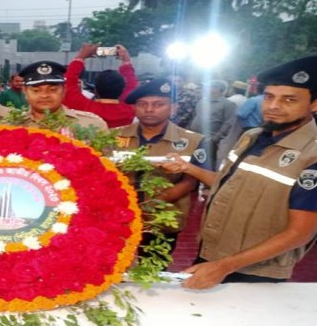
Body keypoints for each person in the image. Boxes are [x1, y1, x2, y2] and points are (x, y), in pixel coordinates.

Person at [161, 56, 317, 289]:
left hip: (256, 273)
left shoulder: (311, 155)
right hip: (212, 256)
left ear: (314, 104)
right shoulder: (251, 137)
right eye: (269, 97)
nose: (273, 106)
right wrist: (188, 167)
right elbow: (226, 182)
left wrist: (225, 266)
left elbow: (300, 232)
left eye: (289, 100)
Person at [115, 78, 210, 257]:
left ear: (173, 108)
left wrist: (150, 204)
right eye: (142, 104)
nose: (149, 109)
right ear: (135, 107)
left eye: (158, 104)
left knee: (152, 271)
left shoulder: (192, 141)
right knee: (111, 266)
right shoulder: (112, 137)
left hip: (162, 220)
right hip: (117, 219)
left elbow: (191, 182)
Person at [18, 60, 107, 133]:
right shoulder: (12, 125)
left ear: (64, 90)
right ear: (25, 91)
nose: (44, 95)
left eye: (53, 90)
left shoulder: (92, 124)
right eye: (36, 91)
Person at [62, 43, 138, 128]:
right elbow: (132, 88)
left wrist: (81, 56)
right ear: (122, 90)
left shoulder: (85, 107)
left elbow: (68, 84)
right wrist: (126, 60)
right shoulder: (130, 111)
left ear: (95, 90)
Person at [188, 80, 238, 169]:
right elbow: (195, 116)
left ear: (219, 90)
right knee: (192, 160)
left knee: (206, 163)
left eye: (211, 87)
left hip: (209, 139)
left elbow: (229, 123)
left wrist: (215, 138)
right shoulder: (202, 101)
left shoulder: (228, 104)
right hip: (195, 136)